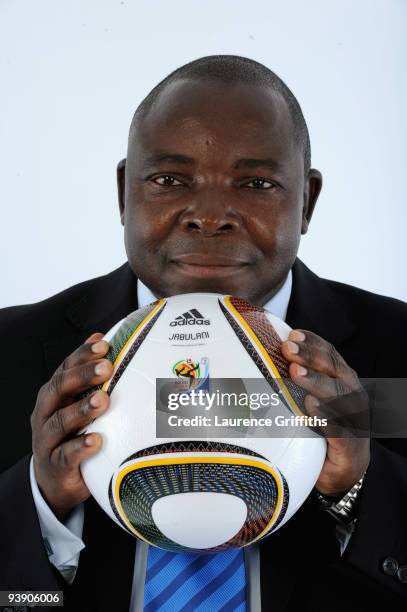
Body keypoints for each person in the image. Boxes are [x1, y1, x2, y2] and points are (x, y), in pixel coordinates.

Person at [0, 55, 406, 612]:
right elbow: (17, 599)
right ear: (125, 192)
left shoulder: (398, 355)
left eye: (257, 182)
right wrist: (41, 505)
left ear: (306, 201)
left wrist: (361, 487)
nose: (211, 215)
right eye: (170, 179)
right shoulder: (9, 353)